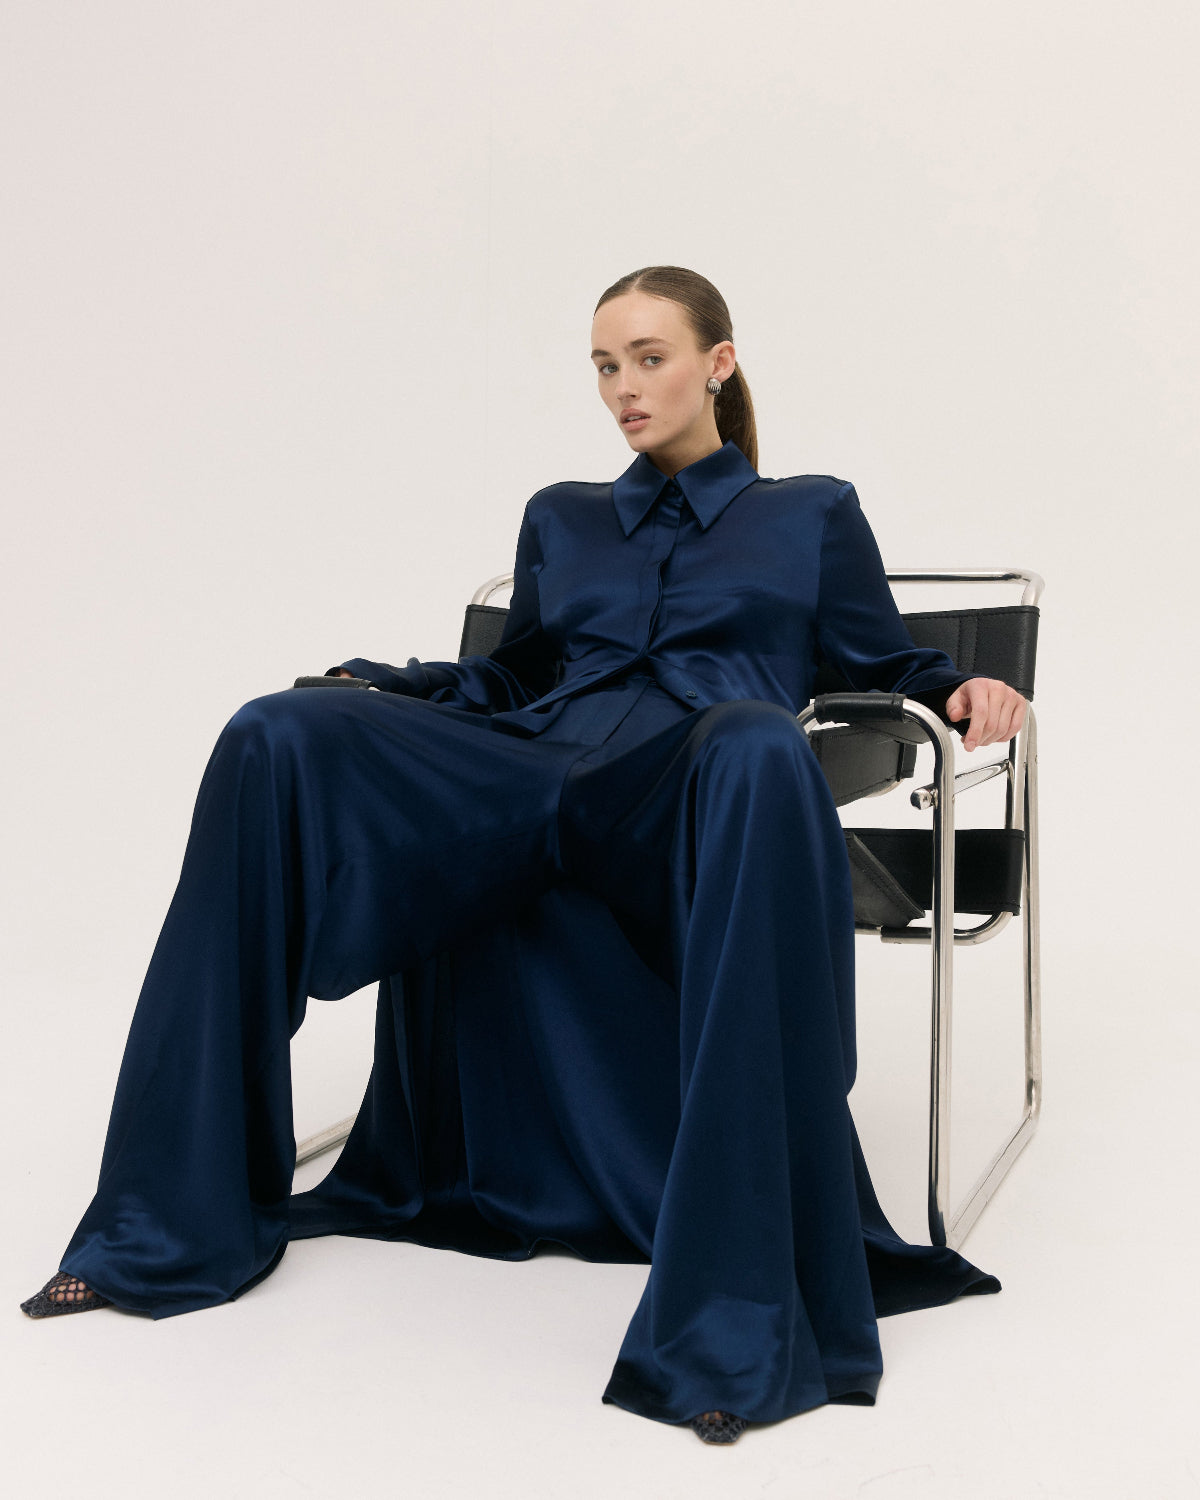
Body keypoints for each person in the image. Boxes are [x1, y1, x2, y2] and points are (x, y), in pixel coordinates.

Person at [21, 265, 1027, 1445]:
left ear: (720, 361)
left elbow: (878, 657)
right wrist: (398, 689)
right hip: (531, 760)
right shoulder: (563, 514)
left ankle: (731, 1315)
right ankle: (162, 1226)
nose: (622, 388)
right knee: (276, 730)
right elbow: (519, 675)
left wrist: (961, 682)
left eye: (649, 357)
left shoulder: (811, 513)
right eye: (604, 365)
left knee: (761, 744)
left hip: (679, 776)